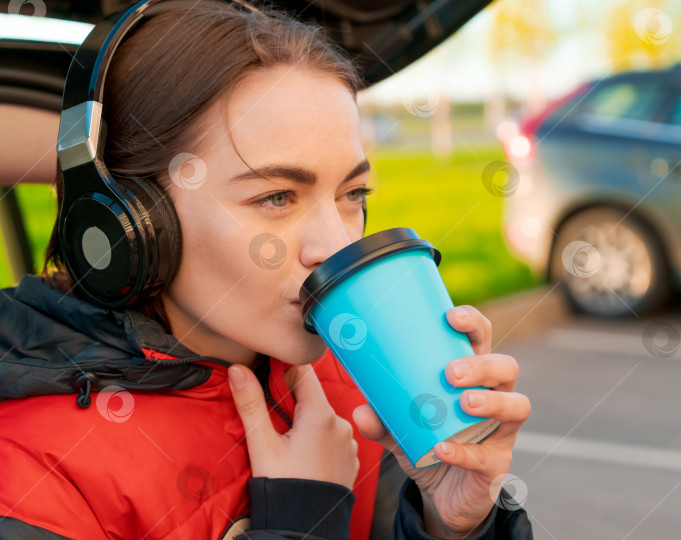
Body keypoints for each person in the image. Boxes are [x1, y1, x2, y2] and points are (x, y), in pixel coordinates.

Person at [0, 1, 533, 539]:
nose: (335, 244)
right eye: (277, 196)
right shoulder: (30, 474)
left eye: (353, 193)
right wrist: (302, 519)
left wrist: (452, 522)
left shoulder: (353, 383)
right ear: (131, 227)